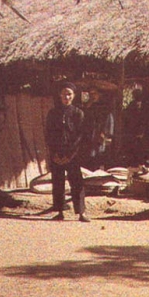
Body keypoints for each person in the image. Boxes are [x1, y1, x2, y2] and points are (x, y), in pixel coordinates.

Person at [45, 81, 89, 222]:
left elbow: (80, 136)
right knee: (58, 182)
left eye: (69, 94)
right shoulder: (53, 113)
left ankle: (81, 212)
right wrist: (55, 154)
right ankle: (59, 211)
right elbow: (48, 135)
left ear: (74, 96)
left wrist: (70, 155)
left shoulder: (78, 113)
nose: (66, 97)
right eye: (64, 94)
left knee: (76, 182)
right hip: (57, 153)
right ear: (59, 95)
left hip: (73, 154)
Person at [81, 87, 114, 170]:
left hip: (100, 134)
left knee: (100, 156)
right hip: (90, 135)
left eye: (94, 94)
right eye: (91, 94)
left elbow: (109, 120)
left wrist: (105, 134)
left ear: (100, 95)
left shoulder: (104, 107)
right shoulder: (88, 106)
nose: (92, 96)